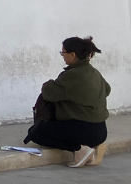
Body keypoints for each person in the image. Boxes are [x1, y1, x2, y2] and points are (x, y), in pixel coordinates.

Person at [24, 36, 111, 168]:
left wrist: (49, 83)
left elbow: (48, 93)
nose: (62, 56)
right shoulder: (94, 72)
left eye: (63, 52)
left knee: (36, 133)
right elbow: (107, 90)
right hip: (101, 130)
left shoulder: (72, 75)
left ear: (72, 55)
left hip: (84, 130)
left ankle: (80, 149)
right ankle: (95, 146)